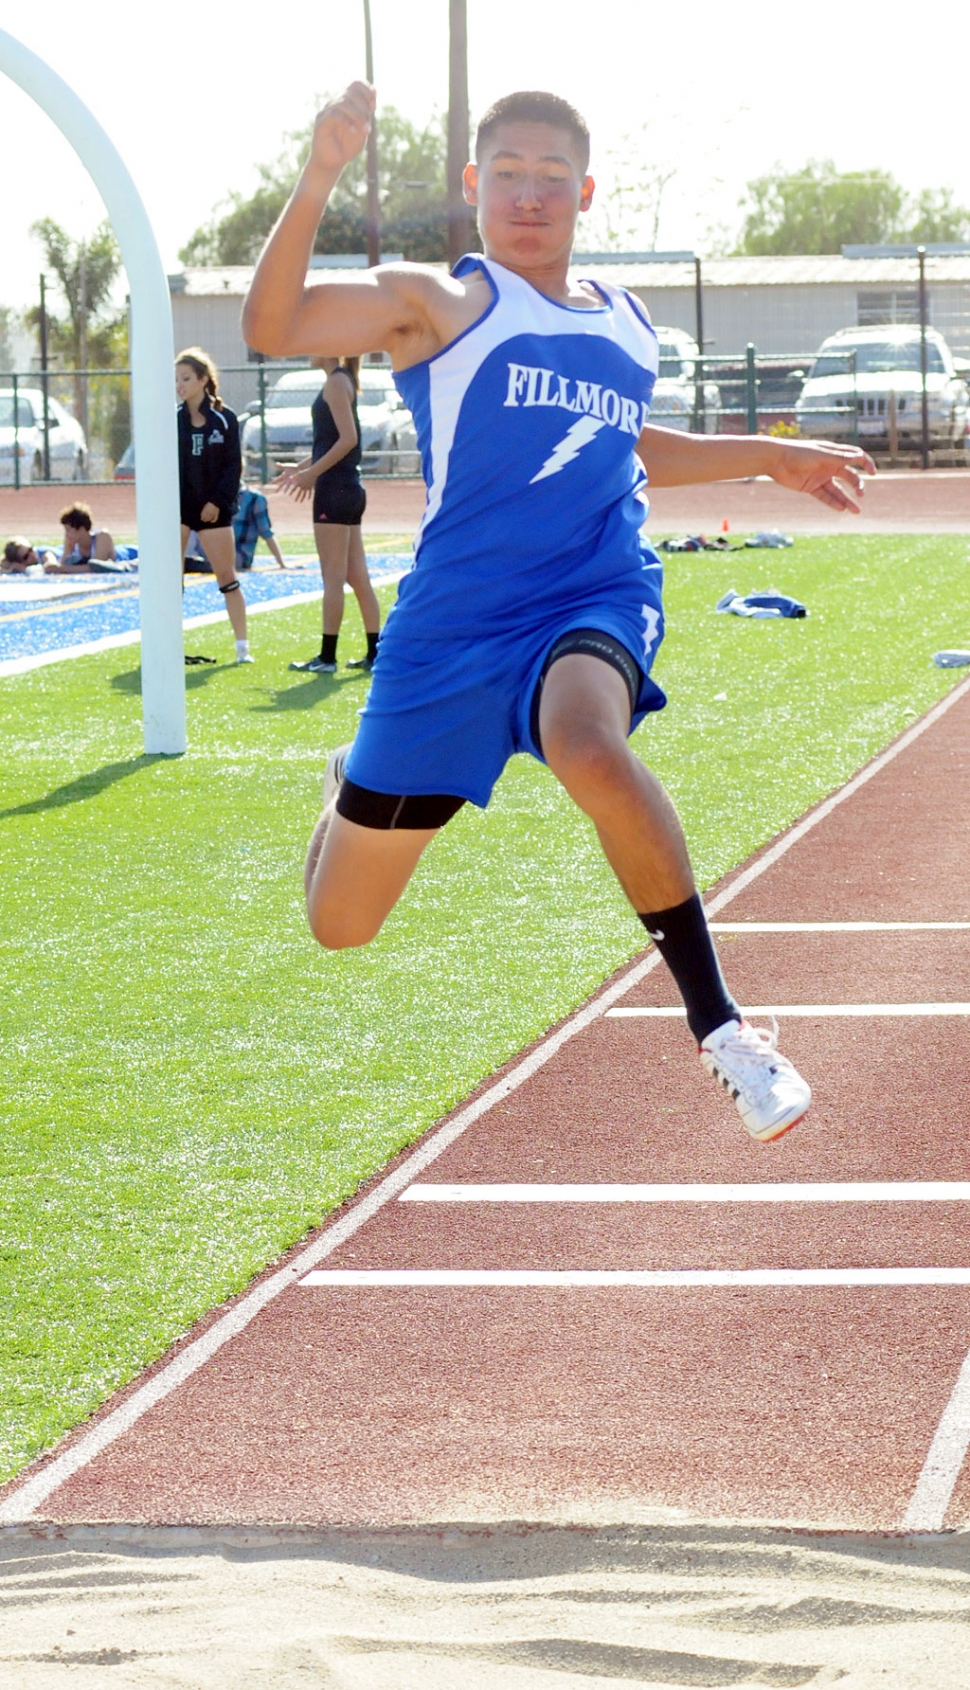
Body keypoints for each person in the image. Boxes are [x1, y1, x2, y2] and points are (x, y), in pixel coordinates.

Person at [243, 83, 876, 1144]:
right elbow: (273, 324)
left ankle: (722, 1029)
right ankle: (351, 780)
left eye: (550, 179)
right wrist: (320, 173)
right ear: (471, 186)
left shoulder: (626, 324)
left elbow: (629, 442)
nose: (528, 196)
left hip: (591, 587)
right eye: (507, 175)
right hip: (452, 628)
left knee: (587, 745)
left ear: (584, 192)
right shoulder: (437, 302)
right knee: (339, 926)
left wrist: (771, 456)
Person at [276, 355, 381, 673]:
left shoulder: (336, 382)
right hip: (348, 488)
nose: (307, 348)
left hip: (334, 490)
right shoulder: (341, 380)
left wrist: (313, 475)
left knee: (333, 577)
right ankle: (376, 653)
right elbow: (333, 441)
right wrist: (301, 468)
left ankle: (327, 657)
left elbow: (348, 440)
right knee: (356, 576)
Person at [175, 347, 251, 663]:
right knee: (170, 578)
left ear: (204, 380)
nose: (179, 385)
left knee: (226, 576)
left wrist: (217, 502)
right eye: (176, 379)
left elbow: (234, 466)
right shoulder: (172, 420)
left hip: (213, 510)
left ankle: (242, 648)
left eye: (186, 378)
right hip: (179, 509)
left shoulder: (224, 419)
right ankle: (169, 646)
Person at [44, 503, 138, 574]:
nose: (66, 535)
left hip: (132, 556)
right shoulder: (71, 544)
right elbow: (57, 564)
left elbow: (96, 567)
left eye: (68, 530)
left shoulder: (103, 537)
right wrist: (65, 555)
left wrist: (60, 568)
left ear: (81, 529)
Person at [233, 484, 290, 571]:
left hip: (236, 559)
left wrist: (282, 563)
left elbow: (266, 532)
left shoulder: (254, 498)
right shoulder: (214, 494)